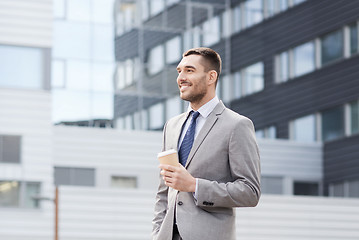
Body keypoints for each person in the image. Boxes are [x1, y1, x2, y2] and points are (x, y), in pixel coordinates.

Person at [152, 47, 261, 240]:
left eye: (189, 70)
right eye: (179, 71)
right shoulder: (172, 126)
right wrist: (156, 235)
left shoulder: (237, 125)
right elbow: (163, 192)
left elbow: (250, 192)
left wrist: (195, 185)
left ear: (211, 77)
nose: (181, 77)